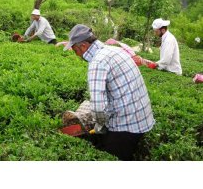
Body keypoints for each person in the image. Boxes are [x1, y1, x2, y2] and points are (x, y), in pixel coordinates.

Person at [63, 24, 155, 160]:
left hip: (126, 128)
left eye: (74, 50)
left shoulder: (97, 63)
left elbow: (99, 108)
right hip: (142, 119)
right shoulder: (114, 50)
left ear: (82, 46)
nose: (76, 54)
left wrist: (98, 126)